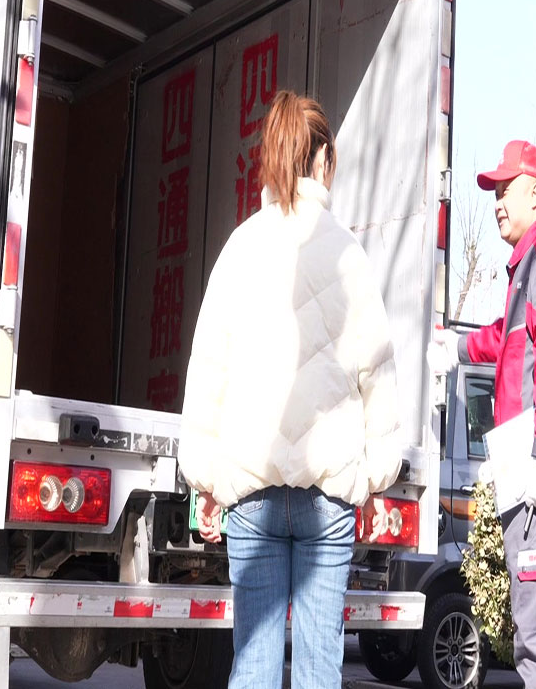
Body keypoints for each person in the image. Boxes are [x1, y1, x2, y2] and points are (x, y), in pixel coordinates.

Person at [178, 91, 403, 689]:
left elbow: (209, 369)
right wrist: (376, 475)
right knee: (318, 667)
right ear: (322, 159)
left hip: (250, 488)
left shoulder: (239, 247)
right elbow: (377, 371)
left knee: (252, 663)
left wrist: (205, 477)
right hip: (327, 493)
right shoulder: (347, 252)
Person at [428, 139, 536, 689]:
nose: (496, 202)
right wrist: (459, 348)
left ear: (534, 194)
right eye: (493, 192)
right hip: (531, 480)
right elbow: (508, 340)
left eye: (505, 190)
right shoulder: (528, 268)